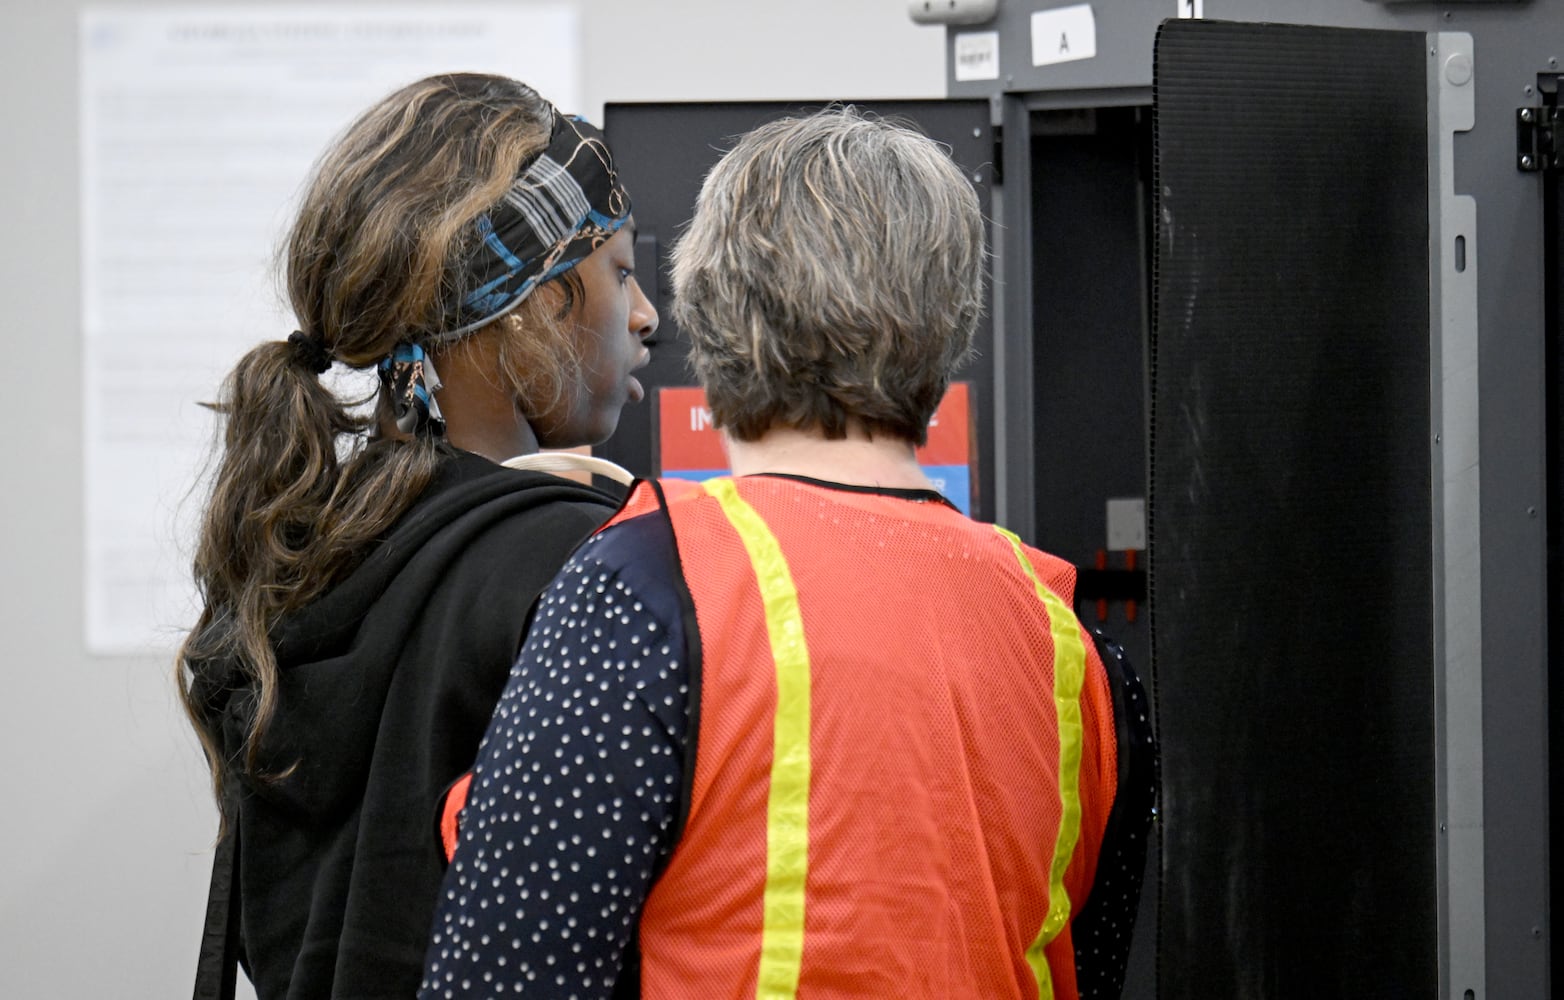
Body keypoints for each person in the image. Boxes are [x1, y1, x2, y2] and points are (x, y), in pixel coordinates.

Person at [421, 108, 1155, 999]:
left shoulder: (646, 592)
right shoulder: (1080, 656)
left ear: (714, 308)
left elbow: (499, 976)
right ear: (950, 321)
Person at [177, 72, 658, 999]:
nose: (645, 316)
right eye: (621, 273)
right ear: (533, 303)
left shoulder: (301, 548)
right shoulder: (575, 566)